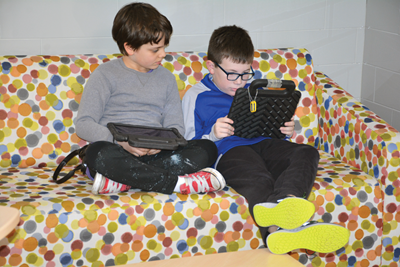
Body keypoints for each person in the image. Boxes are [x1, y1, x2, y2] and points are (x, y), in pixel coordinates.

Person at [182, 25, 349, 254]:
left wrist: (285, 130)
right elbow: (188, 143)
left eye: (245, 74)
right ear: (211, 66)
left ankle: (286, 206)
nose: (239, 81)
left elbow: (269, 125)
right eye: (232, 74)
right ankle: (278, 229)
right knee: (258, 178)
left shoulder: (256, 89)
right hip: (228, 151)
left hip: (265, 143)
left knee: (307, 152)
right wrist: (212, 134)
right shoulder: (196, 95)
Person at [75, 2, 226, 195]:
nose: (162, 54)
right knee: (97, 153)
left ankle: (124, 181)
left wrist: (160, 145)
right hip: (118, 151)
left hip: (158, 155)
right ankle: (176, 184)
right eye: (155, 50)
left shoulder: (166, 78)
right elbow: (84, 125)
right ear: (130, 48)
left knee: (207, 148)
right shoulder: (104, 74)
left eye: (163, 47)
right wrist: (120, 142)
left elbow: (177, 129)